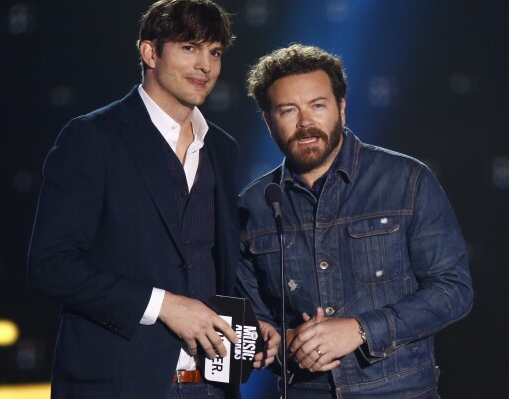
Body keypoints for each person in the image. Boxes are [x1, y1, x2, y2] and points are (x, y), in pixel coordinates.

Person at [27, 1, 278, 398]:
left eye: (214, 52)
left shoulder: (222, 148)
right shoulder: (93, 138)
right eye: (189, 48)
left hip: (210, 385)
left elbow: (217, 263)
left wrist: (254, 321)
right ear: (149, 52)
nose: (205, 67)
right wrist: (163, 305)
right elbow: (51, 264)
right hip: (119, 383)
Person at [236, 43, 473, 398]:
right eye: (288, 110)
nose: (305, 123)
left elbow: (454, 290)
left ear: (341, 109)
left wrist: (360, 329)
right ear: (269, 121)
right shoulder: (252, 205)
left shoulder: (407, 180)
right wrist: (272, 339)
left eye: (318, 106)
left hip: (400, 391)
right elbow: (249, 317)